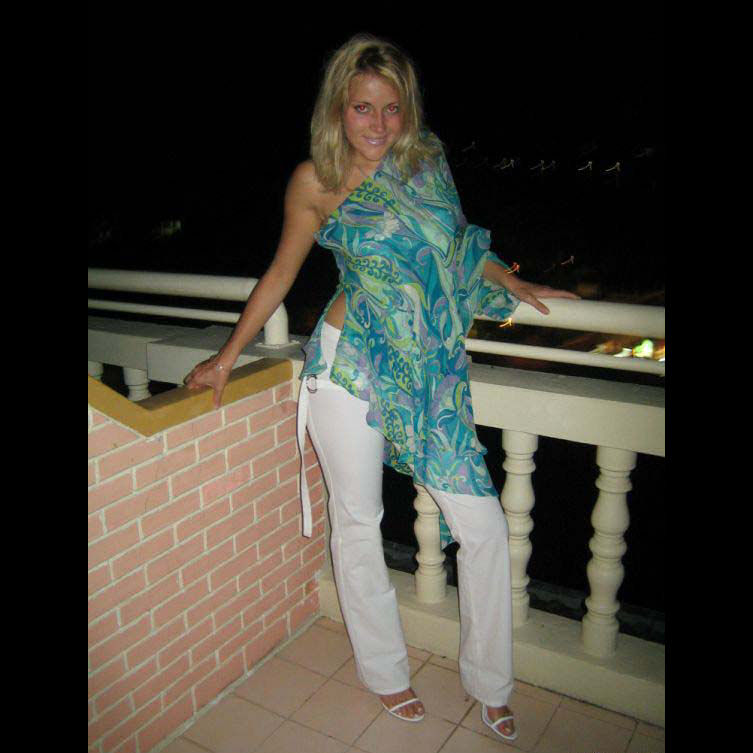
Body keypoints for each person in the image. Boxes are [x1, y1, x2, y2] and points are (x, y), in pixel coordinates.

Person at [184, 33, 578, 741]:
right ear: (337, 108)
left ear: (407, 110)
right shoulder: (315, 181)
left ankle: (490, 682)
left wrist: (513, 280)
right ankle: (384, 669)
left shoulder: (425, 160)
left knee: (485, 527)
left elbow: (458, 246)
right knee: (358, 520)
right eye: (361, 107)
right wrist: (226, 356)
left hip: (429, 373)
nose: (377, 123)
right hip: (348, 365)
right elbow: (280, 274)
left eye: (391, 108)